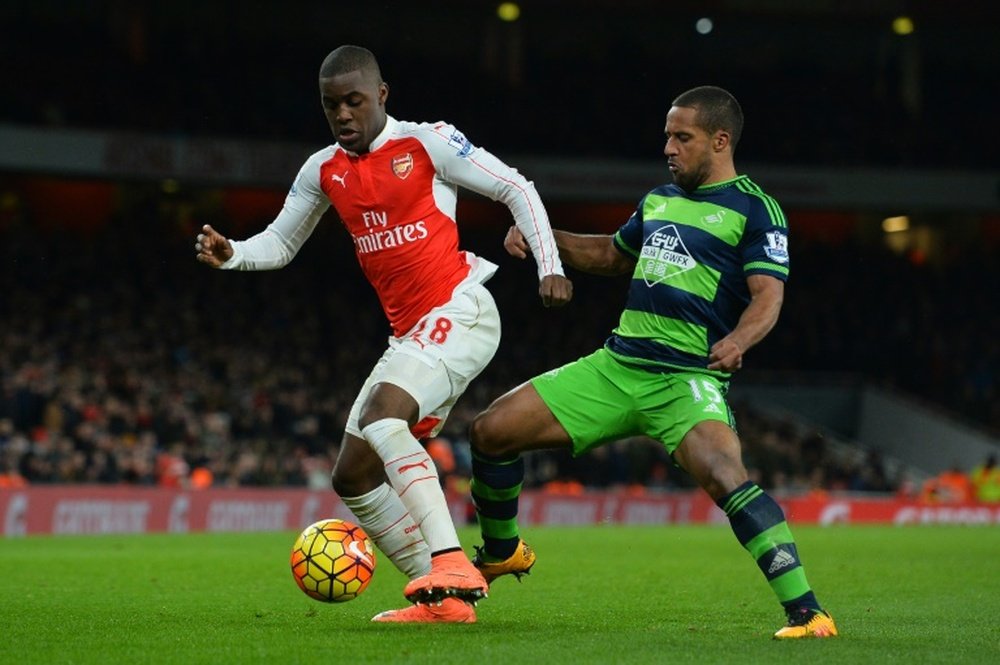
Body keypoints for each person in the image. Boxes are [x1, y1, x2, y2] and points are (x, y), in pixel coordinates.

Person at [195, 45, 572, 623]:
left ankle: (449, 560)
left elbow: (514, 187)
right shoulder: (323, 169)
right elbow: (281, 242)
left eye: (354, 101)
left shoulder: (427, 142)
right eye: (331, 106)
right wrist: (232, 255)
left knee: (382, 417)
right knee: (353, 473)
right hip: (410, 334)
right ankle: (443, 598)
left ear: (381, 95)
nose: (343, 114)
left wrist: (550, 264)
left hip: (461, 308)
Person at [467, 86, 838, 639]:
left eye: (681, 137)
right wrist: (544, 236)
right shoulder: (659, 198)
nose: (668, 147)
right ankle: (501, 552)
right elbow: (613, 257)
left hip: (684, 379)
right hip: (616, 367)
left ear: (719, 140)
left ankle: (809, 614)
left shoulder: (755, 209)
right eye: (667, 135)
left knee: (725, 475)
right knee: (490, 430)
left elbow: (768, 297)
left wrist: (738, 341)